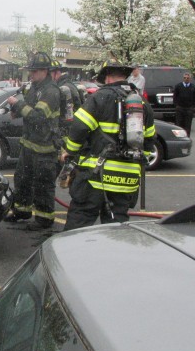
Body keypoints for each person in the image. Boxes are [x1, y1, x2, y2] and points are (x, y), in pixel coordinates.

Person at [62, 62, 155, 230]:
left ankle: (70, 255)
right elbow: (148, 142)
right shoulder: (142, 103)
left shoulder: (99, 97)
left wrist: (70, 151)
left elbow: (79, 127)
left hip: (97, 176)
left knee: (79, 221)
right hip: (127, 180)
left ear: (107, 77)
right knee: (117, 227)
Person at [3, 52, 61, 231]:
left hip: (45, 148)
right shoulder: (35, 88)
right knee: (22, 180)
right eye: (31, 71)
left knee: (43, 184)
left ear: (45, 71)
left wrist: (18, 105)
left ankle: (44, 219)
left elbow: (38, 117)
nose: (31, 74)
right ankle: (22, 211)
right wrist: (15, 110)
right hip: (29, 145)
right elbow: (28, 108)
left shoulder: (51, 91)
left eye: (34, 71)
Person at [49, 60, 83, 138]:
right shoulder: (68, 84)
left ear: (56, 73)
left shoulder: (63, 88)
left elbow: (66, 115)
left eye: (49, 74)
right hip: (73, 127)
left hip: (66, 131)